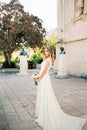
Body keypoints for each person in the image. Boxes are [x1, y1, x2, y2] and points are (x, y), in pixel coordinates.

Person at [32, 46, 86, 130]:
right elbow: (42, 71)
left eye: (47, 51)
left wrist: (38, 78)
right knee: (43, 96)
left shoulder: (48, 60)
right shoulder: (45, 59)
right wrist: (37, 77)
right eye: (45, 51)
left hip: (44, 80)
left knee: (46, 96)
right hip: (43, 80)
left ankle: (48, 114)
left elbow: (45, 72)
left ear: (50, 52)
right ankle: (44, 113)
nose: (46, 52)